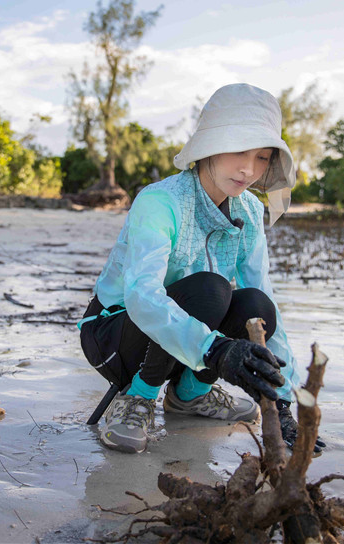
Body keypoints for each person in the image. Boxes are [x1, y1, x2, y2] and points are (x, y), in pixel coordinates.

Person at [78, 83, 325, 455]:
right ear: (209, 145)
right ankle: (137, 398)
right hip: (116, 336)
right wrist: (217, 351)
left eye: (261, 157)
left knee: (257, 305)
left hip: (186, 346)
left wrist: (283, 399)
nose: (248, 169)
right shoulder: (160, 201)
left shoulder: (249, 212)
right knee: (211, 289)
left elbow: (264, 297)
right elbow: (142, 295)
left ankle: (190, 394)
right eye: (238, 150)